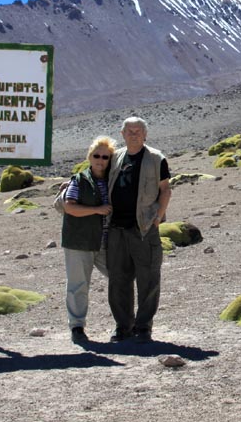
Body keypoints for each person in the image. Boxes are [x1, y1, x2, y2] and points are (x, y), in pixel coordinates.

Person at [106, 116, 171, 343]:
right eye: (129, 131)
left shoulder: (156, 158)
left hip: (143, 227)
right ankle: (123, 326)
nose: (134, 134)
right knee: (118, 279)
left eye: (138, 131)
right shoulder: (115, 158)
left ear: (145, 134)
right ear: (122, 134)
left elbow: (165, 189)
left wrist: (159, 216)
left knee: (148, 278)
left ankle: (143, 327)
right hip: (116, 228)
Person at [60, 136, 116, 343]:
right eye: (96, 156)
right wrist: (97, 210)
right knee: (78, 285)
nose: (100, 160)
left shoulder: (112, 179)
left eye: (105, 157)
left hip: (106, 240)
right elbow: (69, 206)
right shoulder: (79, 180)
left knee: (120, 278)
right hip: (80, 240)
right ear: (89, 157)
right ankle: (76, 327)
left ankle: (125, 322)